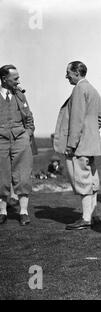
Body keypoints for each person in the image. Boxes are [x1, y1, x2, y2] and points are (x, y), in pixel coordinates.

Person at [54, 61, 101, 230]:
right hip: (91, 144)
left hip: (80, 146)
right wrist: (90, 133)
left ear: (76, 72)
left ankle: (85, 218)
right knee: (92, 179)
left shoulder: (79, 89)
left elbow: (75, 121)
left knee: (82, 179)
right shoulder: (93, 89)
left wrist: (71, 144)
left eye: (68, 72)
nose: (66, 76)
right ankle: (92, 214)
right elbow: (100, 119)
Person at [0, 65, 35, 226]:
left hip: (20, 140)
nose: (18, 81)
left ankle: (23, 212)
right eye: (15, 79)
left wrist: (27, 134)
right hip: (1, 141)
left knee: (23, 175)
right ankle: (2, 211)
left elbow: (29, 117)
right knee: (2, 176)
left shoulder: (20, 95)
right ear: (4, 79)